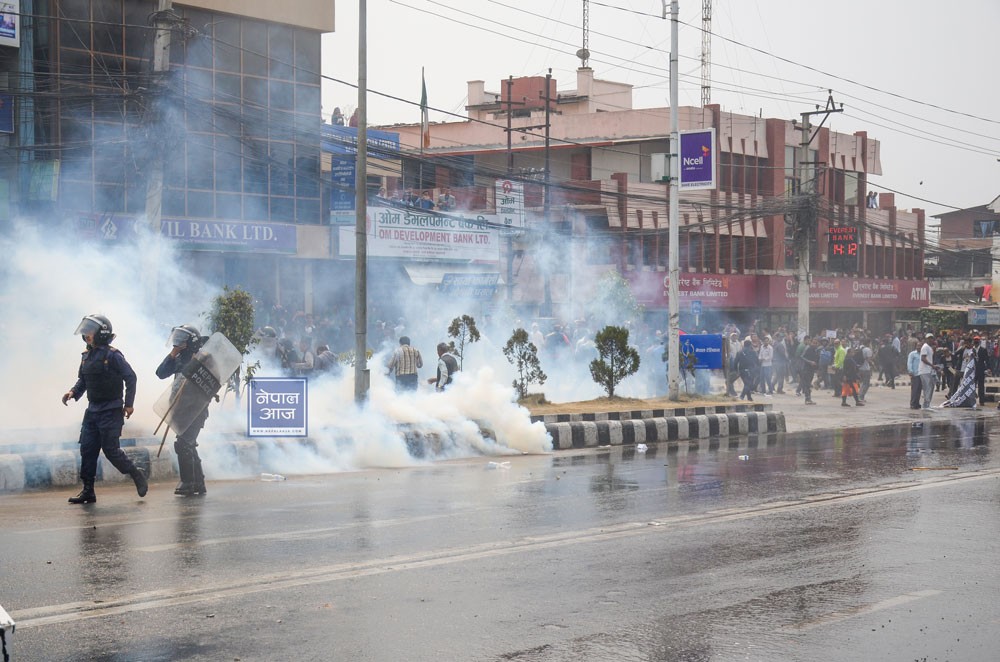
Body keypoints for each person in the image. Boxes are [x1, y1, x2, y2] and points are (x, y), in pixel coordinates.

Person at [62, 314, 147, 504]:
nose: (86, 335)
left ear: (101, 333)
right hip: (92, 412)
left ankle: (136, 473)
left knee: (111, 451)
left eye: (90, 331)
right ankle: (88, 491)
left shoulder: (113, 355)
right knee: (88, 450)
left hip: (111, 410)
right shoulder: (86, 357)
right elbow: (83, 381)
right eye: (85, 331)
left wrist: (129, 404)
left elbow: (131, 377)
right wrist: (72, 393)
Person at [156, 324, 211, 496]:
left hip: (196, 409)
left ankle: (188, 482)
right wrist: (172, 354)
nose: (177, 342)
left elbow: (212, 383)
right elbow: (160, 373)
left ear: (191, 341)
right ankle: (198, 483)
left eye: (181, 339)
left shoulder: (205, 359)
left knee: (183, 443)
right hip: (181, 409)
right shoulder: (179, 358)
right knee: (188, 443)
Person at [918, 333, 939, 410]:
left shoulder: (929, 347)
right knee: (927, 388)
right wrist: (932, 365)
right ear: (926, 339)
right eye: (929, 338)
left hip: (929, 370)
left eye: (931, 338)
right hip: (924, 370)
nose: (930, 339)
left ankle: (928, 403)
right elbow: (923, 359)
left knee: (931, 386)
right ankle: (925, 405)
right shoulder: (925, 347)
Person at [799, 335, 819, 405]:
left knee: (808, 384)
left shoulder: (815, 350)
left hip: (811, 370)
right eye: (813, 343)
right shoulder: (808, 348)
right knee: (807, 384)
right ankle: (807, 399)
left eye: (816, 343)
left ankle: (808, 399)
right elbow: (802, 357)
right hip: (805, 369)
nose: (815, 344)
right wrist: (810, 362)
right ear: (811, 342)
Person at [973, 336, 990, 406]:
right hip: (973, 370)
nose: (976, 342)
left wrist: (988, 368)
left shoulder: (983, 350)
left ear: (979, 341)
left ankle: (982, 401)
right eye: (975, 341)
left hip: (981, 369)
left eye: (977, 340)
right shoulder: (972, 349)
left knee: (981, 386)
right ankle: (972, 399)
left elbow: (987, 359)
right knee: (972, 385)